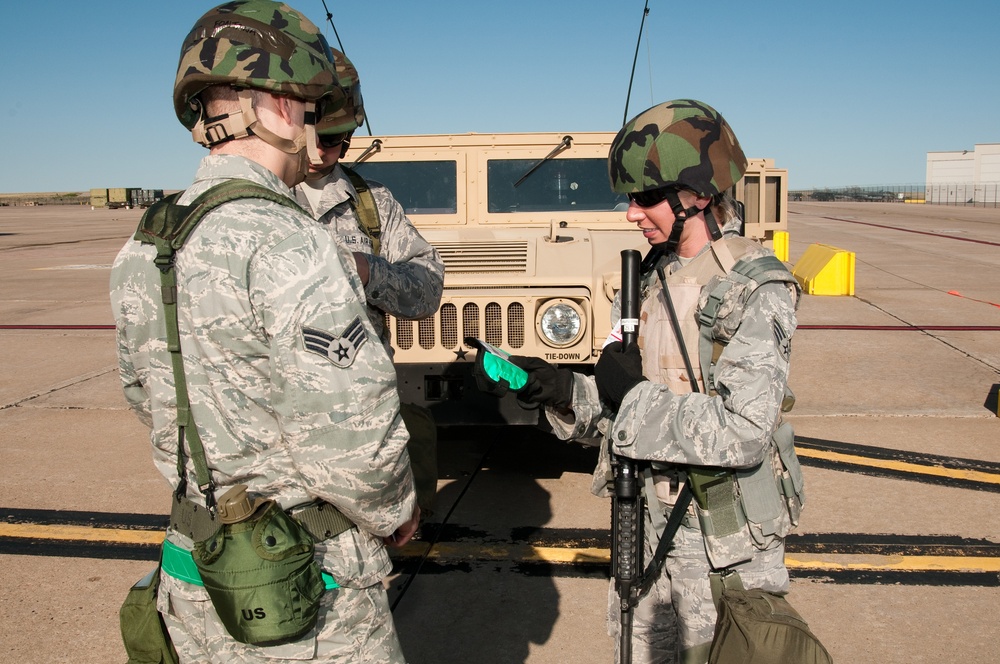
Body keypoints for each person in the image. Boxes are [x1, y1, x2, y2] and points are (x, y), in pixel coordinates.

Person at [110, 2, 418, 662]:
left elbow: (145, 396)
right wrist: (395, 512)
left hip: (196, 572)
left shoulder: (147, 242)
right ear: (278, 106)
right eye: (309, 108)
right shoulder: (293, 243)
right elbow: (352, 435)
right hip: (306, 585)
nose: (314, 129)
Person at [486, 99, 805, 663]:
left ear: (698, 196)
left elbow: (744, 430)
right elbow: (622, 416)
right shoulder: (651, 280)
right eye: (628, 199)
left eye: (646, 198)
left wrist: (629, 397)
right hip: (646, 527)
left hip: (718, 548)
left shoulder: (753, 289)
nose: (632, 214)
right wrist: (562, 392)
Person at [293, 49, 445, 521]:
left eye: (337, 139)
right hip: (282, 428)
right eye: (316, 137)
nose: (324, 152)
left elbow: (427, 290)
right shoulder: (252, 207)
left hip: (361, 425)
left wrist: (368, 270)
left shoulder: (371, 203)